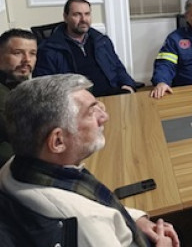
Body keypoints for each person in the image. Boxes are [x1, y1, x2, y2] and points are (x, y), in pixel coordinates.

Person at [0, 74, 180, 246]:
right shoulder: (88, 223)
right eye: (91, 112)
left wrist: (137, 220)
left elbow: (94, 205)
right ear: (58, 141)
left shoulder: (14, 166)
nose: (104, 117)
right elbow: (91, 215)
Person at [33, 0, 140, 97]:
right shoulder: (49, 49)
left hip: (111, 95)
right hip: (77, 102)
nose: (83, 19)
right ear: (65, 17)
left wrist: (128, 86)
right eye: (77, 15)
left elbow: (118, 68)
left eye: (87, 14)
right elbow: (44, 88)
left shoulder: (102, 41)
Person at [0, 29, 38, 165]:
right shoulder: (4, 96)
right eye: (17, 53)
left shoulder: (21, 84)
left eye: (32, 53)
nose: (27, 59)